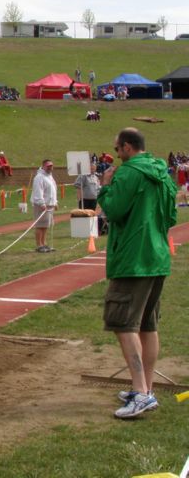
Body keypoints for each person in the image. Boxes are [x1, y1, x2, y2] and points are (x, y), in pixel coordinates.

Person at [98, 128, 176, 419]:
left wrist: (105, 186)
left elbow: (115, 211)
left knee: (123, 323)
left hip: (133, 259)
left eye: (117, 149)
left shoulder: (128, 173)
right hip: (157, 256)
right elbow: (171, 216)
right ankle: (147, 389)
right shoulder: (163, 174)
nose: (116, 154)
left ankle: (141, 392)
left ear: (128, 148)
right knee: (147, 325)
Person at [32, 159, 58, 252]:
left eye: (51, 166)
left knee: (46, 226)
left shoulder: (50, 177)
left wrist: (55, 202)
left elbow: (53, 190)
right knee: (40, 225)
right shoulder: (39, 177)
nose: (50, 168)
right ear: (43, 166)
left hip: (50, 205)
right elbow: (38, 191)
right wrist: (41, 203)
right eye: (48, 166)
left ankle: (44, 243)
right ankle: (39, 245)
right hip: (42, 205)